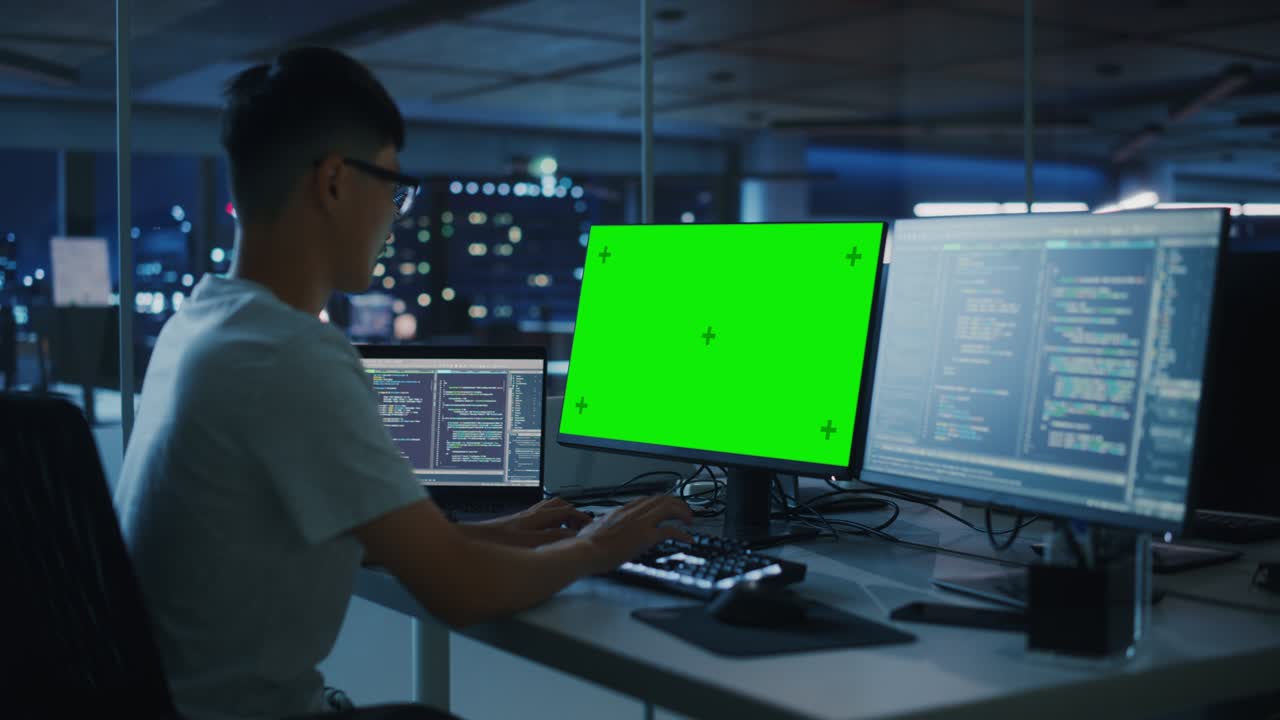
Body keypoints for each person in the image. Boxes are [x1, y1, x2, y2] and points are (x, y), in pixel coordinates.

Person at [113, 47, 693, 720]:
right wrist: (596, 548)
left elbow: (396, 546)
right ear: (334, 182)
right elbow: (461, 591)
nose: (398, 213)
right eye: (393, 185)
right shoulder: (288, 353)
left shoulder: (206, 323)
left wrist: (500, 534)